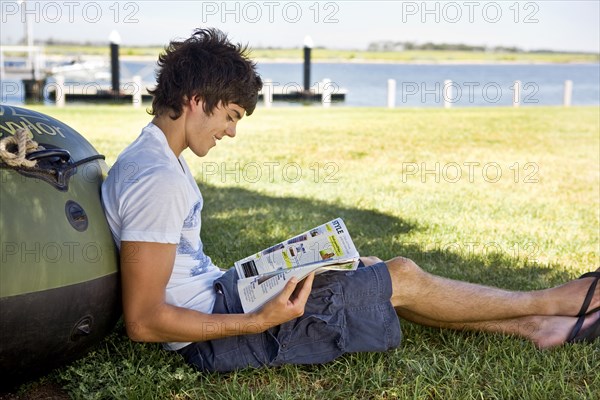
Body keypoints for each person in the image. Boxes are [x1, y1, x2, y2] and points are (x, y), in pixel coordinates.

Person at [101, 28, 599, 373]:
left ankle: (535, 327)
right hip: (215, 337)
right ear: (195, 100)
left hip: (225, 291)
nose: (231, 131)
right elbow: (145, 320)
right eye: (230, 115)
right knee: (399, 275)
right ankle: (551, 302)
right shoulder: (157, 179)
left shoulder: (155, 158)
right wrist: (257, 321)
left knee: (371, 265)